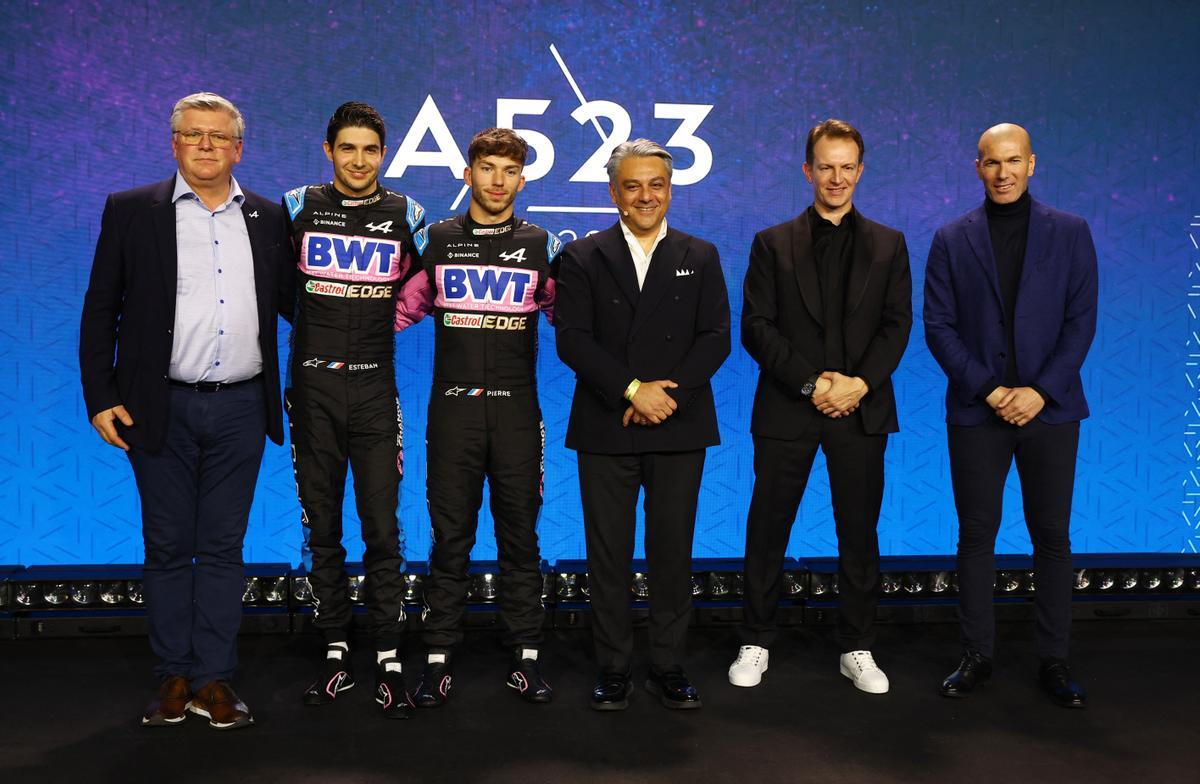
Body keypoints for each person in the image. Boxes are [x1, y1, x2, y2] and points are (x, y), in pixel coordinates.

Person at [79, 92, 292, 730]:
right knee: (168, 546)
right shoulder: (129, 211)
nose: (205, 146)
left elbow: (295, 304)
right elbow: (100, 308)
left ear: (238, 148)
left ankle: (215, 680)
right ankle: (172, 675)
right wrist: (101, 395)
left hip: (242, 409)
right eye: (193, 135)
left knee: (224, 547)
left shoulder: (268, 216)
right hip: (156, 409)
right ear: (174, 144)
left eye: (218, 137)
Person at [729, 119, 912, 695]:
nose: (837, 178)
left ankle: (857, 646)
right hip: (788, 407)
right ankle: (756, 640)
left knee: (859, 532)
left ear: (861, 170)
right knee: (767, 529)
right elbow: (756, 328)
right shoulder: (771, 242)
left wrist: (857, 385)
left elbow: (897, 325)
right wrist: (813, 385)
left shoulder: (890, 243)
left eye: (847, 166)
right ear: (808, 171)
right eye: (825, 166)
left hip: (861, 408)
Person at [924, 123, 1097, 708]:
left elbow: (1081, 324)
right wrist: (992, 390)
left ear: (1032, 165)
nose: (1003, 173)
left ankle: (1053, 659)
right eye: (992, 162)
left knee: (1052, 537)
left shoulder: (1071, 233)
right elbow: (939, 327)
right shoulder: (951, 239)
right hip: (979, 412)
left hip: (1051, 412)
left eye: (1013, 161)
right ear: (977, 167)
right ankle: (978, 655)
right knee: (976, 536)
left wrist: (1040, 391)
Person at [555, 139, 731, 711]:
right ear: (614, 193)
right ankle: (612, 668)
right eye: (633, 185)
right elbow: (572, 340)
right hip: (608, 424)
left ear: (671, 190)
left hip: (678, 424)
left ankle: (668, 665)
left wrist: (664, 396)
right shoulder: (582, 257)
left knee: (672, 551)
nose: (646, 195)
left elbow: (715, 338)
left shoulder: (700, 255)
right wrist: (633, 391)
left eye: (656, 184)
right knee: (607, 554)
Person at [394, 127, 559, 706]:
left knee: (521, 538)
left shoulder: (542, 245)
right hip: (452, 413)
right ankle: (437, 659)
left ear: (523, 178)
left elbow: (584, 323)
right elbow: (387, 314)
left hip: (518, 414)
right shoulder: (437, 239)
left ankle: (527, 659)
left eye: (509, 170)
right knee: (450, 539)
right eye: (486, 168)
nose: (496, 180)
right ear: (467, 174)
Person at [282, 102, 425, 719]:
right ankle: (336, 649)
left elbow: (430, 282)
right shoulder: (295, 207)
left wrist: (380, 324)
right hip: (311, 389)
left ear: (383, 154)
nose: (359, 160)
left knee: (382, 527)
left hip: (374, 389)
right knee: (324, 528)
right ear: (328, 150)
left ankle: (389, 652)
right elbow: (271, 284)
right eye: (348, 148)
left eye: (370, 149)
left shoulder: (408, 214)